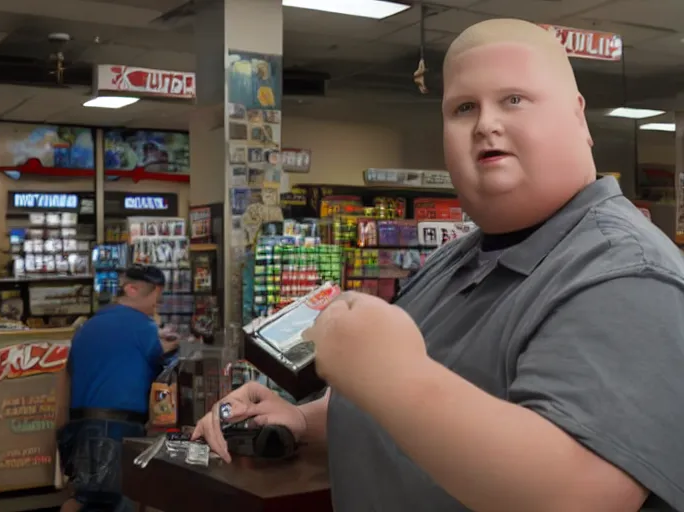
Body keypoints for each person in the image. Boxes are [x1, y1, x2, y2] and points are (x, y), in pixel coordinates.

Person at [193, 19, 684, 512]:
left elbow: (578, 493)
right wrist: (306, 420)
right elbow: (429, 423)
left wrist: (391, 375)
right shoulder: (459, 258)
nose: (486, 123)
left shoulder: (624, 275)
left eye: (514, 99)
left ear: (579, 118)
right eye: (463, 107)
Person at [57, 264, 178, 512]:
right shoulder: (143, 327)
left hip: (79, 429)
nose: (157, 306)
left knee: (86, 499)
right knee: (118, 502)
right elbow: (163, 370)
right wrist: (172, 349)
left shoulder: (87, 327)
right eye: (156, 298)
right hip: (116, 430)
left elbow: (68, 379)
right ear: (135, 291)